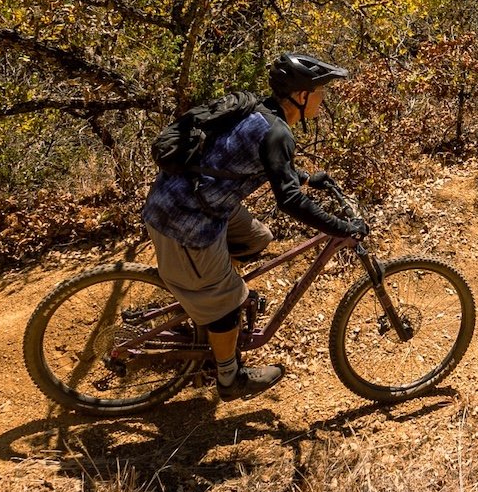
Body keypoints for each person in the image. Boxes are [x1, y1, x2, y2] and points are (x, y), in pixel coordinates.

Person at [141, 52, 367, 401]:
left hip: (193, 195)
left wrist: (306, 178)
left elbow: (256, 165)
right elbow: (289, 201)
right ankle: (229, 374)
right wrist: (339, 226)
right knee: (229, 302)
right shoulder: (278, 133)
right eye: (319, 92)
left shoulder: (261, 112)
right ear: (301, 96)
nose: (323, 99)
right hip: (185, 218)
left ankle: (211, 312)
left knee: (258, 238)